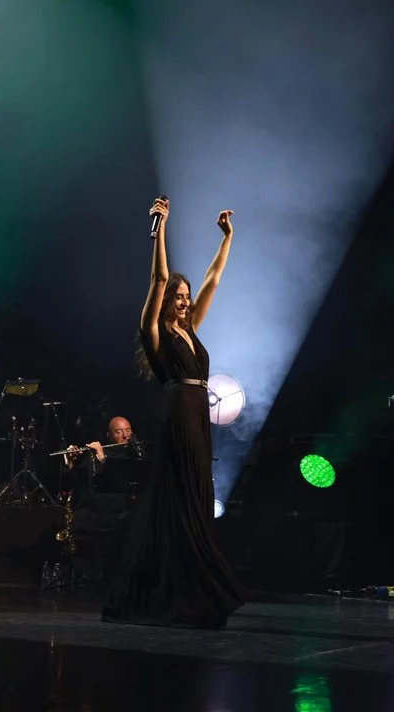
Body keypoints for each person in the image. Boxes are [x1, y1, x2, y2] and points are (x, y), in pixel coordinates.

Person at [102, 198, 246, 629]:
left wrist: (228, 239)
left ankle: (191, 585)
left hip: (198, 414)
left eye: (185, 298)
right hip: (178, 414)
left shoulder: (191, 329)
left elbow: (213, 279)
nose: (183, 302)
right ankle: (177, 589)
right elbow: (158, 276)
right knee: (181, 491)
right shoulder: (156, 333)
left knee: (197, 493)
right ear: (165, 302)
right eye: (177, 298)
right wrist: (159, 226)